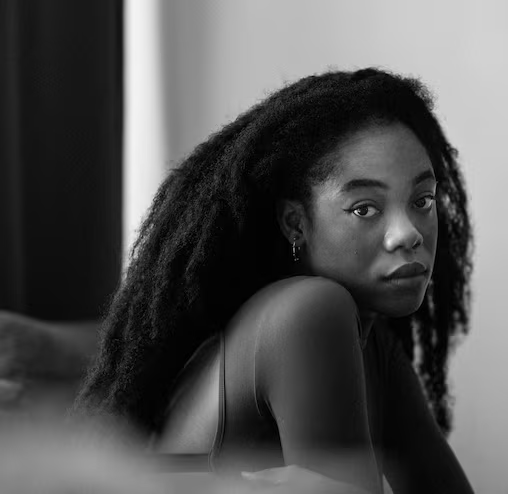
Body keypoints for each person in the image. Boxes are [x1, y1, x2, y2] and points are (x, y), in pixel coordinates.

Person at [71, 67, 474, 494]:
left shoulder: (374, 346)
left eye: (422, 200)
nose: (408, 234)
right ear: (295, 223)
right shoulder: (309, 312)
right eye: (364, 209)